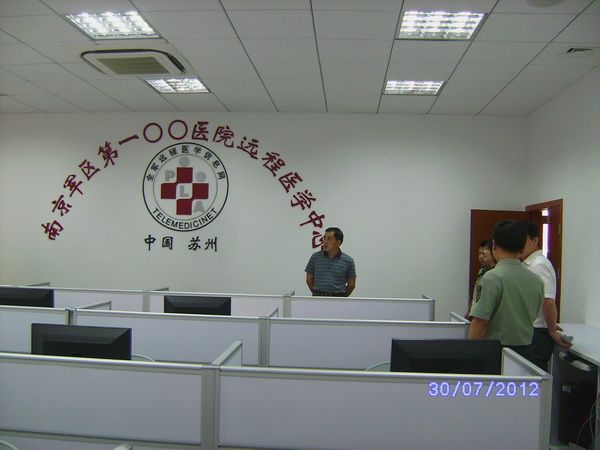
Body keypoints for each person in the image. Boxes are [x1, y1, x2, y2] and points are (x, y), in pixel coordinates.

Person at [468, 220, 544, 358]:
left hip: (495, 352)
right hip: (526, 352)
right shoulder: (537, 280)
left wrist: (468, 355)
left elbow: (480, 322)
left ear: (494, 244)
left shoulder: (492, 277)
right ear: (522, 247)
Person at [519, 221, 572, 371]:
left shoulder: (538, 265)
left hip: (537, 333)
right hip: (530, 330)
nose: (519, 243)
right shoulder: (526, 264)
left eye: (523, 239)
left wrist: (552, 330)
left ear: (535, 240)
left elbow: (547, 301)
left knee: (534, 376)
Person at [305, 227, 356, 297]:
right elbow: (308, 279)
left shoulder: (348, 260)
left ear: (338, 242)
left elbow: (352, 284)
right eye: (324, 238)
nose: (325, 242)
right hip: (318, 297)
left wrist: (342, 297)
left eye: (329, 239)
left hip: (338, 298)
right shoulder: (315, 257)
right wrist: (317, 293)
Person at [466, 239, 495, 319]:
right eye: (479, 254)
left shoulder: (495, 273)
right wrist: (469, 310)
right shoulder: (481, 271)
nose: (481, 257)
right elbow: (476, 293)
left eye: (483, 253)